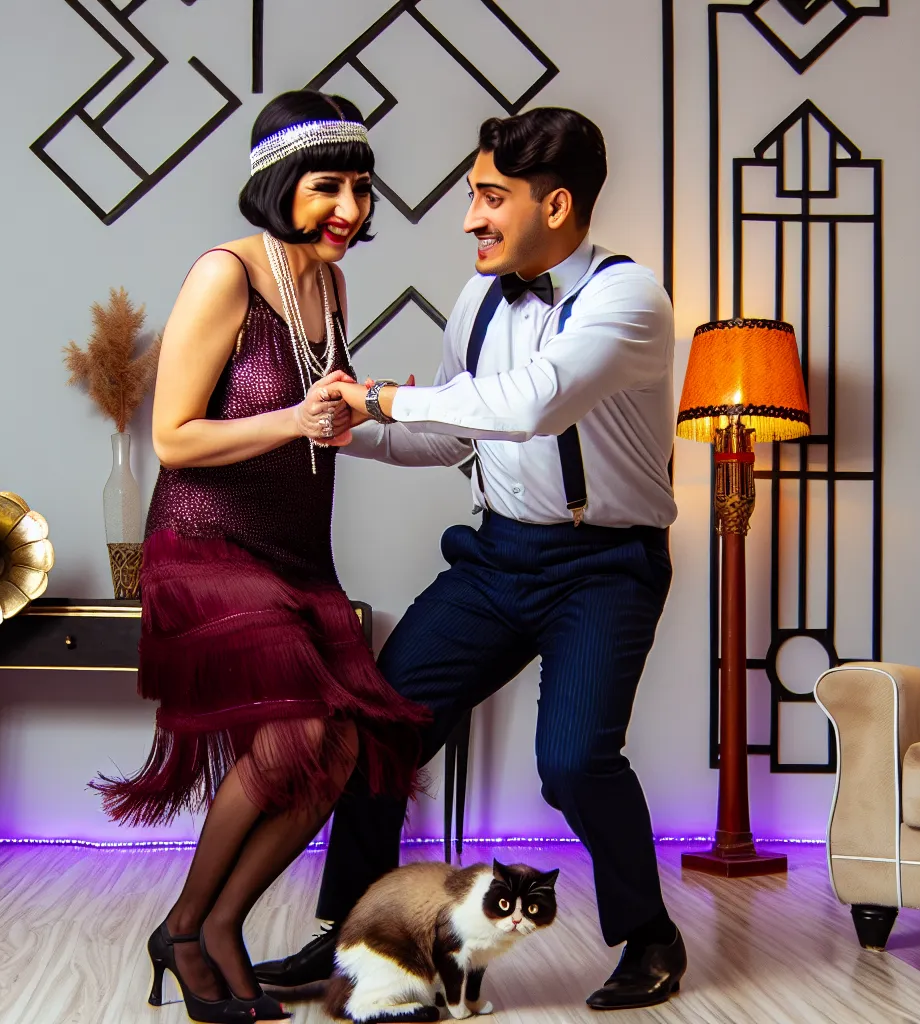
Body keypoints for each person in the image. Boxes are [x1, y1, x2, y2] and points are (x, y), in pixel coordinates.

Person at [253, 107, 688, 1011]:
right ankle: (349, 941)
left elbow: (530, 404)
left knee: (573, 763)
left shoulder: (628, 300)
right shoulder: (478, 298)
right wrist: (351, 429)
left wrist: (376, 394)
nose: (471, 219)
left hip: (604, 567)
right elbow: (457, 432)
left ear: (556, 204)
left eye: (491, 198)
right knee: (377, 733)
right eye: (473, 198)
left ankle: (649, 936)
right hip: (495, 560)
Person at [94, 91, 430, 1024]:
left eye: (362, 189)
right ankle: (192, 927)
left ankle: (218, 922)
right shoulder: (224, 274)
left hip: (294, 550)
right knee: (294, 735)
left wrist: (363, 406)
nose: (351, 211)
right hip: (205, 540)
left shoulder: (327, 278)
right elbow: (171, 437)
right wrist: (295, 415)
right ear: (279, 183)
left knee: (341, 745)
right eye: (328, 187)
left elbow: (322, 416)